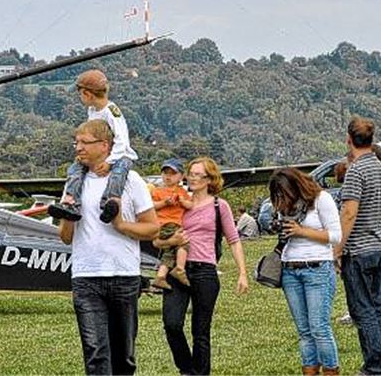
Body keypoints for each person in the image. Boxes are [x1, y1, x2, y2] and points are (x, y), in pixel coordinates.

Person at [58, 120, 159, 375]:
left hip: (123, 275)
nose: (78, 148)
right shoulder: (74, 183)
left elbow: (152, 228)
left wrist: (122, 225)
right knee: (95, 353)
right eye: (76, 142)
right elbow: (65, 237)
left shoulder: (131, 180)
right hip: (86, 276)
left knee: (124, 355)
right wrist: (68, 215)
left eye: (84, 142)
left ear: (104, 145)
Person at [158, 157, 249, 375]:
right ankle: (187, 369)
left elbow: (233, 240)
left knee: (201, 331)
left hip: (204, 271)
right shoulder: (178, 202)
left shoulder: (219, 205)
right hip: (176, 270)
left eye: (199, 174)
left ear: (210, 179)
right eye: (191, 173)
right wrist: (171, 242)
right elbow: (156, 239)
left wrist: (242, 273)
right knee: (172, 324)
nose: (194, 178)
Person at [335, 117, 381, 375]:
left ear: (349, 139)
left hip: (358, 249)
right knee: (378, 307)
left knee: (363, 311)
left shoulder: (355, 171)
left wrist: (337, 248)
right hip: (380, 244)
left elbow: (348, 213)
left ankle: (375, 366)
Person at [270, 168, 342, 376]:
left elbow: (336, 235)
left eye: (284, 193)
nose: (282, 199)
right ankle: (310, 370)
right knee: (304, 331)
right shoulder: (286, 207)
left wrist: (302, 231)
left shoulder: (321, 199)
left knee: (319, 327)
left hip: (317, 267)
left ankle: (330, 369)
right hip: (290, 269)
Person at [49, 69, 138, 223]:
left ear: (87, 94)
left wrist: (110, 162)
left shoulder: (111, 112)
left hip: (119, 154)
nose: (80, 98)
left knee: (118, 174)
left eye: (80, 94)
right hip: (99, 153)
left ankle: (111, 202)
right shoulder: (92, 110)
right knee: (75, 169)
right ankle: (71, 202)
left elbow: (122, 141)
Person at [151, 158, 193, 290]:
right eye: (165, 173)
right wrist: (164, 203)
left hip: (170, 226)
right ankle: (180, 268)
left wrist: (182, 201)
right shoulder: (157, 191)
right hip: (166, 225)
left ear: (181, 176)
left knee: (169, 252)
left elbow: (190, 205)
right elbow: (150, 206)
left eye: (172, 173)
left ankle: (160, 276)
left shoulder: (182, 192)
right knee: (184, 242)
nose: (168, 176)